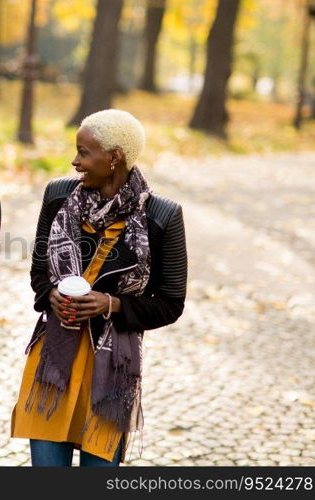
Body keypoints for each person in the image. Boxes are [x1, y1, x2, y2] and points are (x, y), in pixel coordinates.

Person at [11, 109, 187, 466]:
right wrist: (51, 295)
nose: (75, 161)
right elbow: (38, 275)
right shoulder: (58, 196)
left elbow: (171, 303)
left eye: (84, 152)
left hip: (112, 369)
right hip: (53, 359)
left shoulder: (163, 216)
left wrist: (110, 304)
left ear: (114, 157)